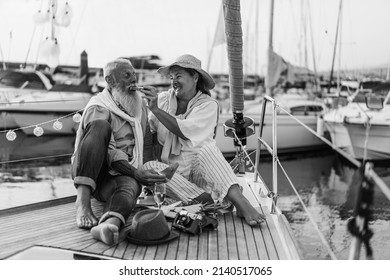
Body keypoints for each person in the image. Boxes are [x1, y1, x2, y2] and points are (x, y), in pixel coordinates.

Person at [141, 54, 265, 226]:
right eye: (171, 77)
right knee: (148, 167)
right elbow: (150, 134)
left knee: (207, 150)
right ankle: (211, 200)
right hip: (174, 174)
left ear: (195, 77)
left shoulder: (208, 105)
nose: (174, 81)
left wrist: (154, 109)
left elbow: (184, 130)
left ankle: (241, 202)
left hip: (200, 171)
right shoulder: (162, 100)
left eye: (178, 76)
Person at [71, 58, 166, 245]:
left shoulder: (140, 108)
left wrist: (145, 177)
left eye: (134, 76)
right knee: (100, 127)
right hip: (93, 172)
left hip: (121, 174)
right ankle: (82, 203)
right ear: (110, 81)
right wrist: (136, 172)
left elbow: (146, 145)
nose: (134, 80)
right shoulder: (99, 107)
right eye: (127, 76)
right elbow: (109, 153)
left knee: (131, 186)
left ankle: (108, 224)